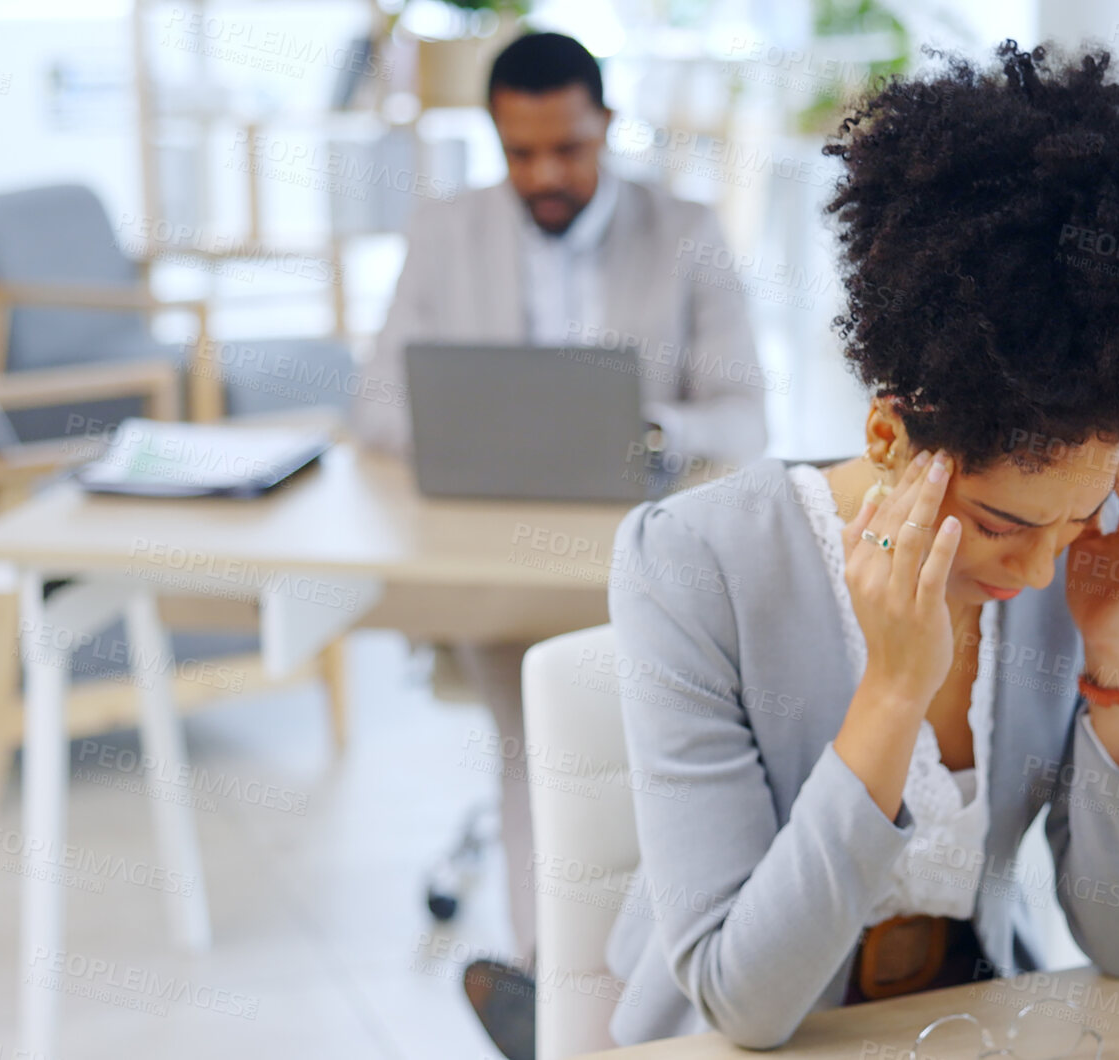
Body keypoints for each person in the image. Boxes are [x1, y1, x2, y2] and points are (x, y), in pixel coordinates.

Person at [602, 43, 1119, 1048]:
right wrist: (891, 691)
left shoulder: (1075, 571)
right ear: (886, 435)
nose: (1039, 569)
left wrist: (1118, 657)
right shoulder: (693, 565)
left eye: (1071, 518)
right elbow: (744, 1003)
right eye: (1002, 524)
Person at [349, 31, 767, 1057]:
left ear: (607, 129)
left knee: (665, 753)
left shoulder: (689, 229)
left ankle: (631, 992)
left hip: (644, 554)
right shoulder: (446, 231)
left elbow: (747, 414)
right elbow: (373, 404)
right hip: (496, 562)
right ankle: (563, 999)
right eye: (519, 152)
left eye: (568, 151)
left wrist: (644, 432)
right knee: (543, 742)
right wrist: (493, 429)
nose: (544, 175)